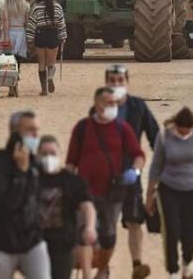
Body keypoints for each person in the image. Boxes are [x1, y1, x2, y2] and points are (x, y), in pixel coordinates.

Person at [66, 87, 146, 279]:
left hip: (112, 192)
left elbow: (138, 155)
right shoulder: (82, 128)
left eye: (114, 103)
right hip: (85, 193)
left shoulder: (121, 128)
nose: (112, 106)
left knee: (108, 235)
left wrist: (134, 172)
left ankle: (103, 268)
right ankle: (86, 273)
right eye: (108, 103)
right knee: (85, 233)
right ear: (96, 104)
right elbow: (71, 161)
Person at [0, 110, 50, 279]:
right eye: (30, 130)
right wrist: (21, 174)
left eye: (37, 130)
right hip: (1, 243)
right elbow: (6, 207)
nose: (36, 135)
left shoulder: (35, 164)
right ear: (15, 134)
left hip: (32, 242)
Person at [104, 65, 160, 279]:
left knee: (135, 220)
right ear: (106, 83)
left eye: (120, 80)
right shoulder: (100, 109)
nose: (116, 84)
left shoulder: (138, 107)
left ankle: (137, 264)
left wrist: (163, 165)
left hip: (131, 174)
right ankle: (103, 266)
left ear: (127, 82)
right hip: (105, 177)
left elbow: (155, 137)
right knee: (107, 224)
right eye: (112, 80)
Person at [145, 107, 193, 279]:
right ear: (176, 126)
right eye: (181, 132)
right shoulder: (164, 136)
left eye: (187, 132)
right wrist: (149, 195)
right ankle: (173, 270)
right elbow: (156, 167)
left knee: (190, 230)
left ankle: (187, 263)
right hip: (168, 189)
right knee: (171, 230)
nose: (184, 135)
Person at [37, 135, 97, 279]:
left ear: (59, 155)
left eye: (52, 153)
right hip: (35, 246)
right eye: (44, 154)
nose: (48, 157)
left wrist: (90, 226)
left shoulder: (72, 181)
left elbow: (87, 205)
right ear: (37, 156)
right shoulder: (30, 178)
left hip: (62, 246)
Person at [26, 0, 67, 96]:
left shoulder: (36, 7)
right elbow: (61, 24)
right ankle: (50, 77)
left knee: (41, 63)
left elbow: (31, 25)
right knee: (51, 63)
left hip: (40, 35)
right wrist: (63, 37)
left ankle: (44, 89)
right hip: (53, 35)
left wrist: (30, 40)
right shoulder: (57, 7)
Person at [0, 0, 30, 97]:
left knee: (8, 61)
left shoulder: (4, 6)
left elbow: (5, 22)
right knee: (18, 61)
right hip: (21, 32)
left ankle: (11, 86)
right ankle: (15, 84)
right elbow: (26, 22)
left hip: (9, 32)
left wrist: (6, 37)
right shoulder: (26, 5)